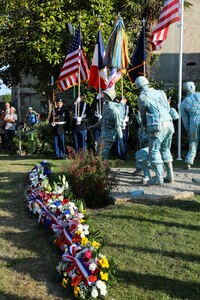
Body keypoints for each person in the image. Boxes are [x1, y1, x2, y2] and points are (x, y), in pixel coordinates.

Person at [136, 76, 174, 186]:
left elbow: (143, 116)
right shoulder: (161, 92)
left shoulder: (142, 97)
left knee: (154, 151)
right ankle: (170, 176)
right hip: (169, 122)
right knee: (166, 149)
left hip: (157, 125)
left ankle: (158, 178)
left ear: (138, 86)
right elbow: (167, 108)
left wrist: (145, 127)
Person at [180, 81, 200, 169]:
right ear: (192, 87)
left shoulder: (183, 103)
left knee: (193, 141)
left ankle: (189, 161)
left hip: (193, 120)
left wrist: (189, 131)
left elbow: (185, 120)